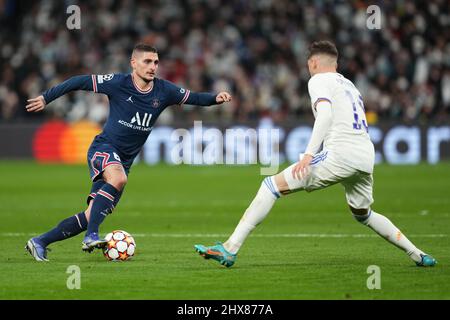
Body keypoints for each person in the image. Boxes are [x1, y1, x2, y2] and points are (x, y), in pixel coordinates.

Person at [194, 41, 436, 268]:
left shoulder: (318, 80)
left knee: (270, 185)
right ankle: (418, 254)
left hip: (340, 153)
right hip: (365, 155)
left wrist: (309, 154)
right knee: (364, 214)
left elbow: (326, 115)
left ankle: (230, 248)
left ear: (313, 63)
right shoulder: (349, 85)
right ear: (336, 64)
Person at [25, 44, 232, 261]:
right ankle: (91, 237)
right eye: (147, 61)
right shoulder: (118, 83)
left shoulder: (164, 90)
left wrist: (215, 98)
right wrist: (46, 98)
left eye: (156, 62)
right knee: (118, 178)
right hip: (103, 149)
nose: (153, 67)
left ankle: (40, 242)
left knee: (90, 214)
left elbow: (195, 98)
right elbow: (78, 81)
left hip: (124, 162)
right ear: (134, 63)